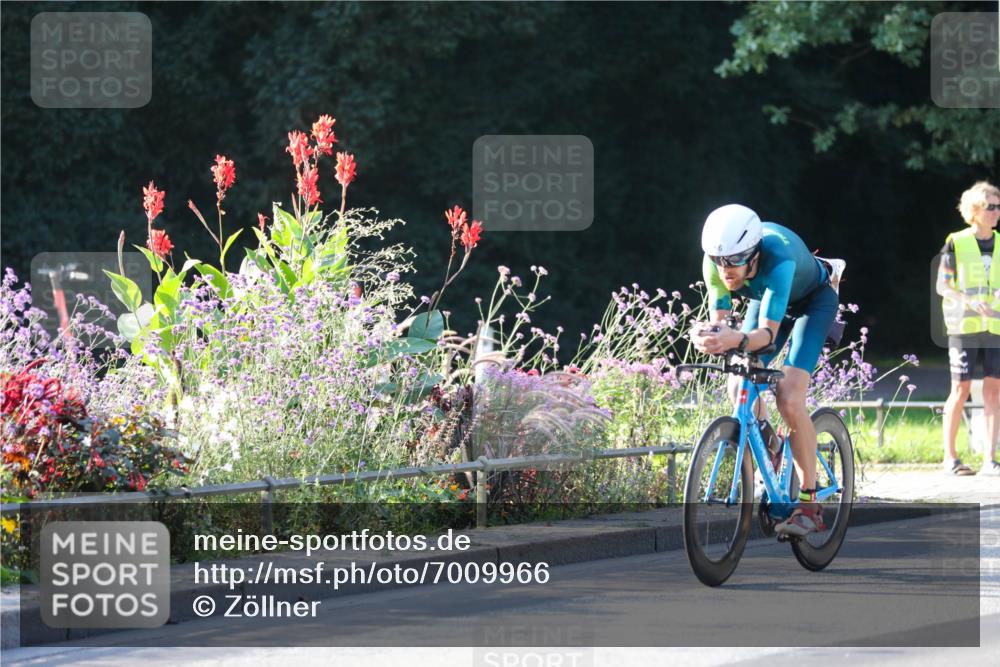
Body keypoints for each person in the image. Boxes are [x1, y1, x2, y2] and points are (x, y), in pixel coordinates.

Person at [690, 204, 840, 537]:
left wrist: (736, 338)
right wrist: (710, 335)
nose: (725, 270)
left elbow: (767, 336)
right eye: (719, 261)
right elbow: (720, 321)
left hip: (811, 303)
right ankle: (772, 449)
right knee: (736, 383)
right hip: (767, 295)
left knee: (788, 396)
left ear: (754, 254)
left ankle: (809, 504)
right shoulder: (716, 259)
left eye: (734, 261)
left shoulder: (778, 258)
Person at [936, 181, 1000, 476]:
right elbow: (943, 285)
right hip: (963, 326)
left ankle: (990, 458)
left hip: (996, 328)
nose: (997, 212)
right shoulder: (956, 242)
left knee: (994, 392)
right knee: (959, 389)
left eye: (998, 206)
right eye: (991, 207)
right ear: (975, 210)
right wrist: (972, 302)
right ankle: (950, 457)